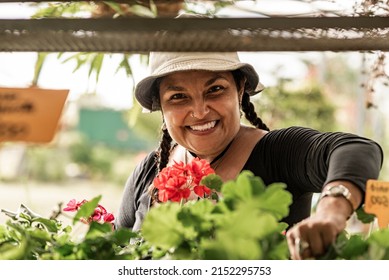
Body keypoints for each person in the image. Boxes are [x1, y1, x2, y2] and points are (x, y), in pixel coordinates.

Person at [115, 51, 384, 260]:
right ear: (161, 106)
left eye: (215, 90)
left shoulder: (277, 152)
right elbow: (115, 253)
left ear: (240, 89)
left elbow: (356, 149)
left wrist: (332, 210)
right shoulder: (149, 171)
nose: (199, 111)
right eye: (178, 96)